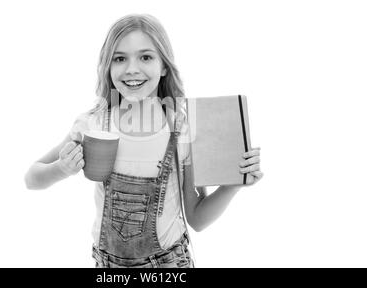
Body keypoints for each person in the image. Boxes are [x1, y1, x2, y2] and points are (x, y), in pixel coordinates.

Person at [24, 14, 263, 268]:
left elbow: (197, 218)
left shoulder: (181, 131)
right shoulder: (92, 125)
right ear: (108, 66)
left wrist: (233, 185)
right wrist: (61, 169)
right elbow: (31, 179)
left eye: (146, 57)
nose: (132, 69)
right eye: (120, 58)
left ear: (163, 67)